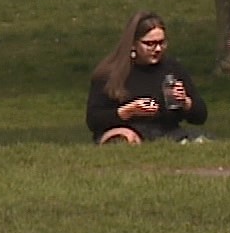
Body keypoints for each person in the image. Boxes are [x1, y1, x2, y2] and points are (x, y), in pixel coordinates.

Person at [86, 11, 208, 143]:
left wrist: (185, 102)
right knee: (125, 138)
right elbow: (94, 120)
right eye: (149, 44)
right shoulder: (110, 73)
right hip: (126, 132)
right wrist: (127, 111)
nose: (157, 49)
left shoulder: (172, 68)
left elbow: (200, 116)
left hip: (168, 131)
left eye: (161, 43)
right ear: (133, 44)